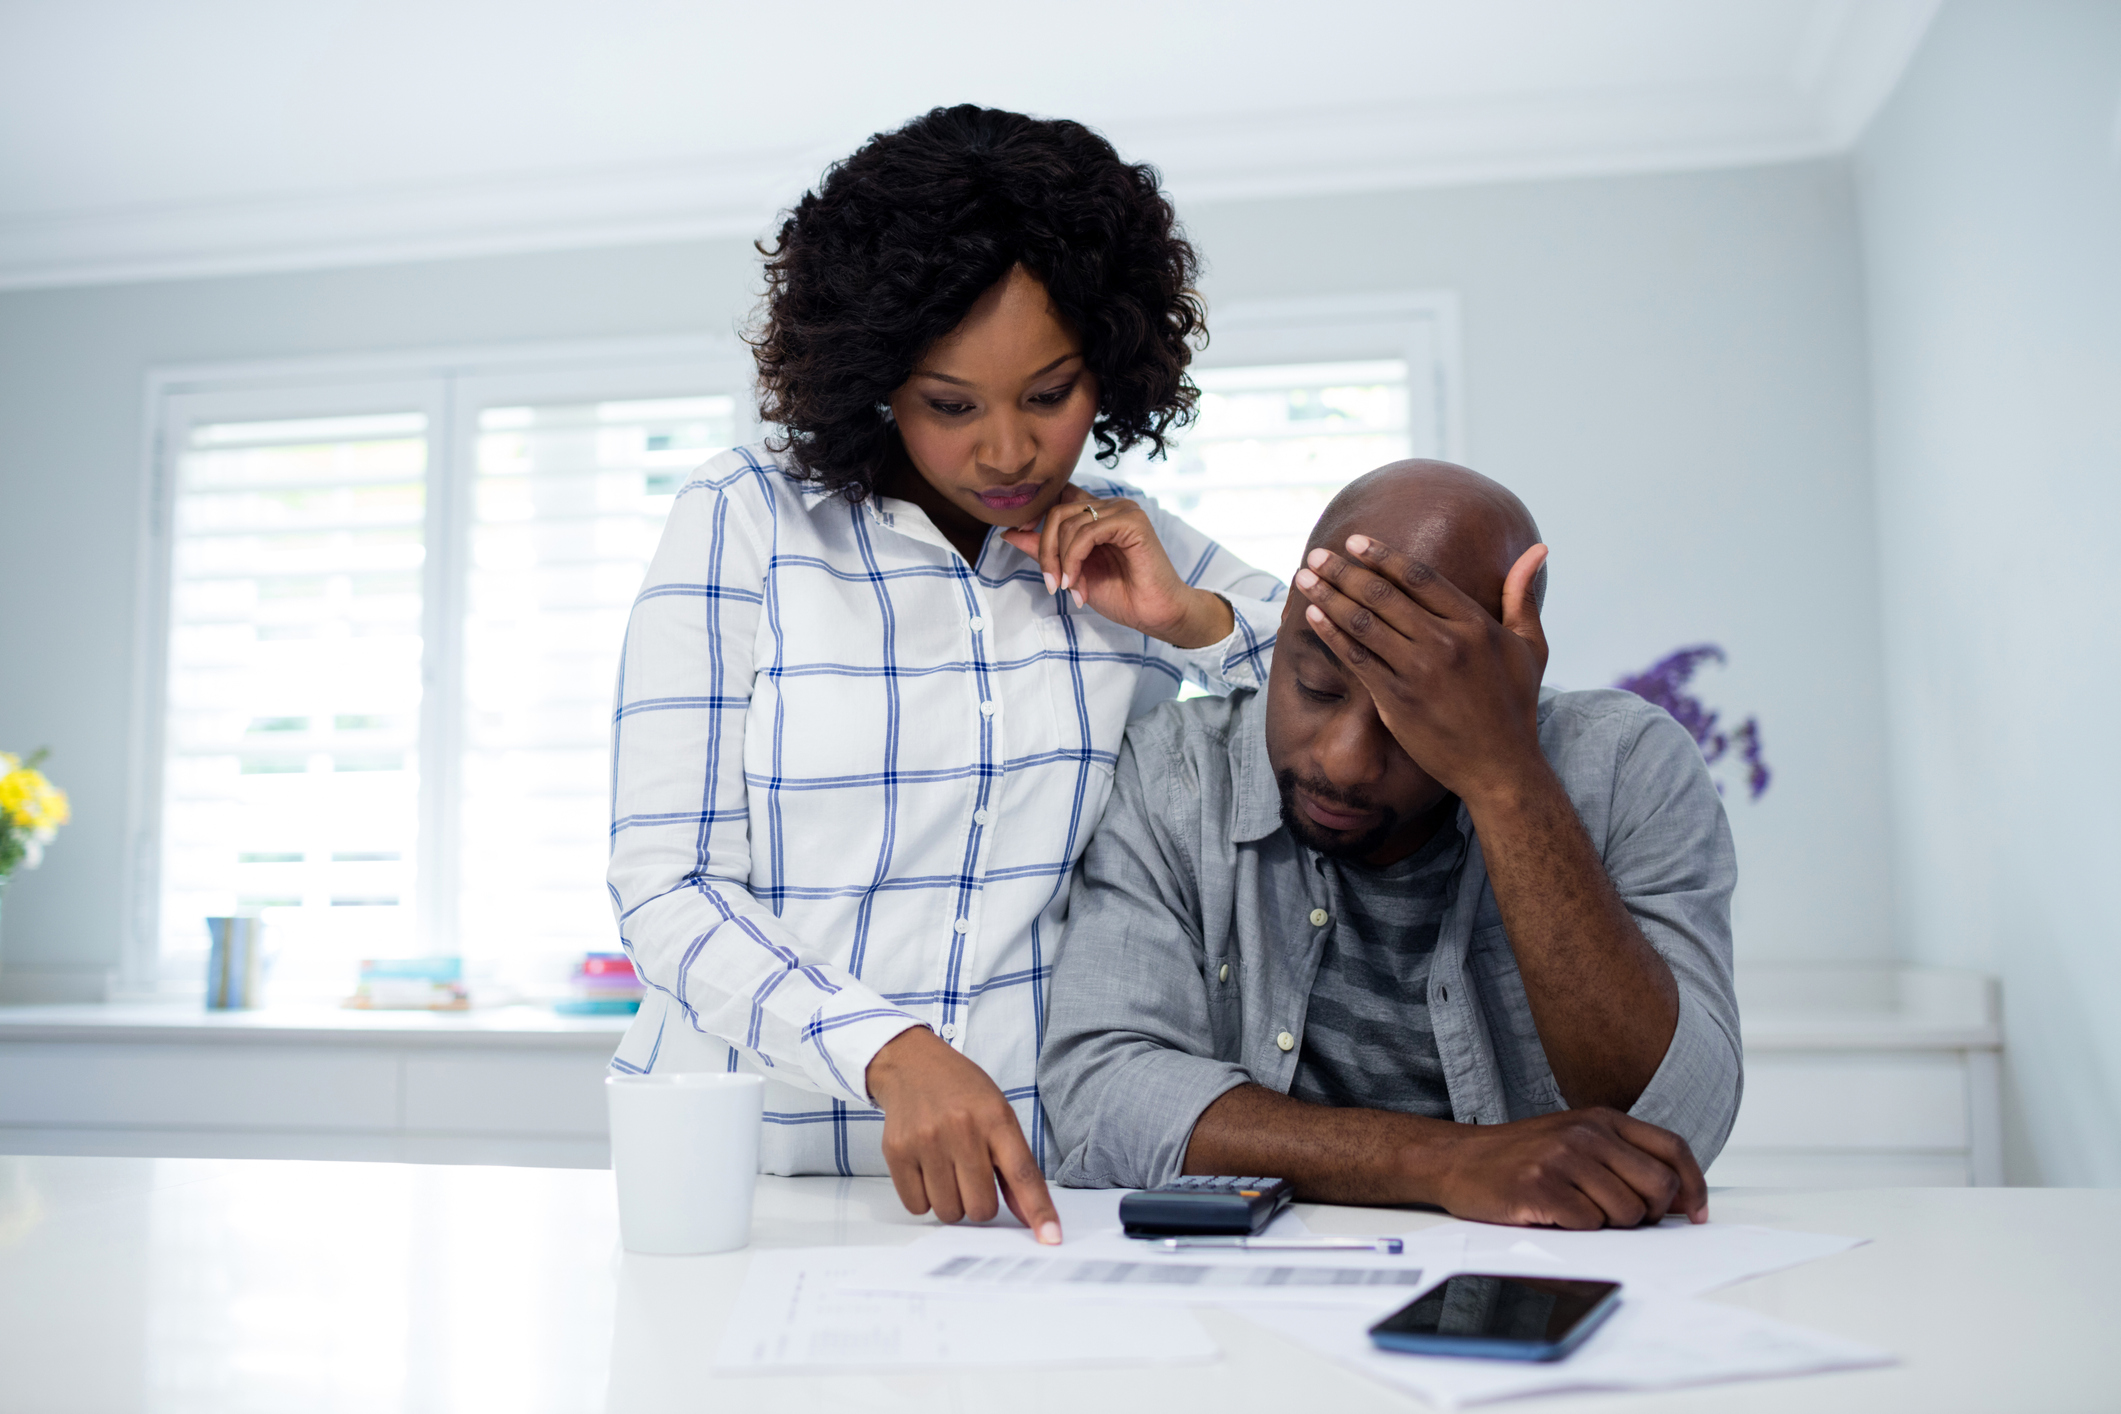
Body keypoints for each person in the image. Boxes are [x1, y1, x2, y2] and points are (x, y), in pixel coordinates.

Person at [605, 106, 1284, 1242]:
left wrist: (1188, 618)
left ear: (1111, 368)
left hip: (1031, 1193)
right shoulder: (745, 521)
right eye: (951, 405)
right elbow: (668, 886)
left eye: (1051, 394)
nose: (1009, 451)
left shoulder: (1128, 544)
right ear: (877, 378)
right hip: (752, 1182)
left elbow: (1350, 692)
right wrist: (888, 1049)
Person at [1040, 460, 1742, 1229]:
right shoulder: (1175, 774)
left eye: (1411, 719)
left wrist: (1506, 775)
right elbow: (1100, 1094)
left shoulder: (1626, 766)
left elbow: (1673, 1124)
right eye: (1313, 689)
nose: (1342, 763)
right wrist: (1443, 1161)